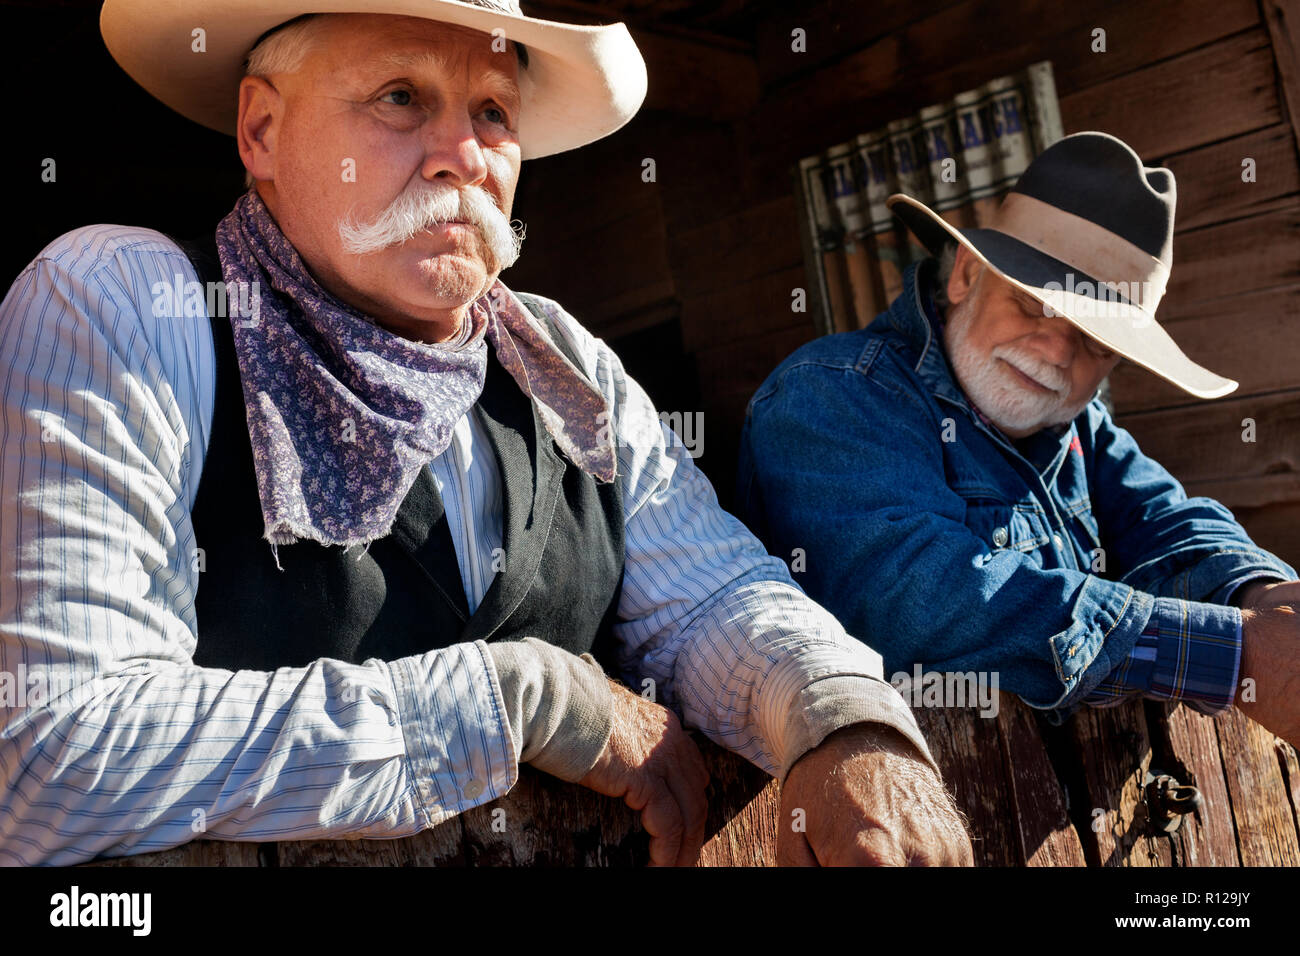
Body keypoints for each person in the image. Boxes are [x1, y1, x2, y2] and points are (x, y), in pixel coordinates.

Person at [0, 0, 971, 866]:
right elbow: (50, 761)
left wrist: (844, 723)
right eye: (398, 97)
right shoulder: (128, 300)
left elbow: (709, 596)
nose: (460, 154)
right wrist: (516, 700)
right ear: (260, 127)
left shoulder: (560, 358)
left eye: (494, 113)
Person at [738, 131, 1300, 750]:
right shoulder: (830, 396)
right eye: (1035, 304)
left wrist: (1264, 600)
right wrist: (1232, 654)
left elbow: (1166, 520)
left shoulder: (1075, 422)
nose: (1058, 350)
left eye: (1096, 339)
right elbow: (915, 600)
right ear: (966, 275)